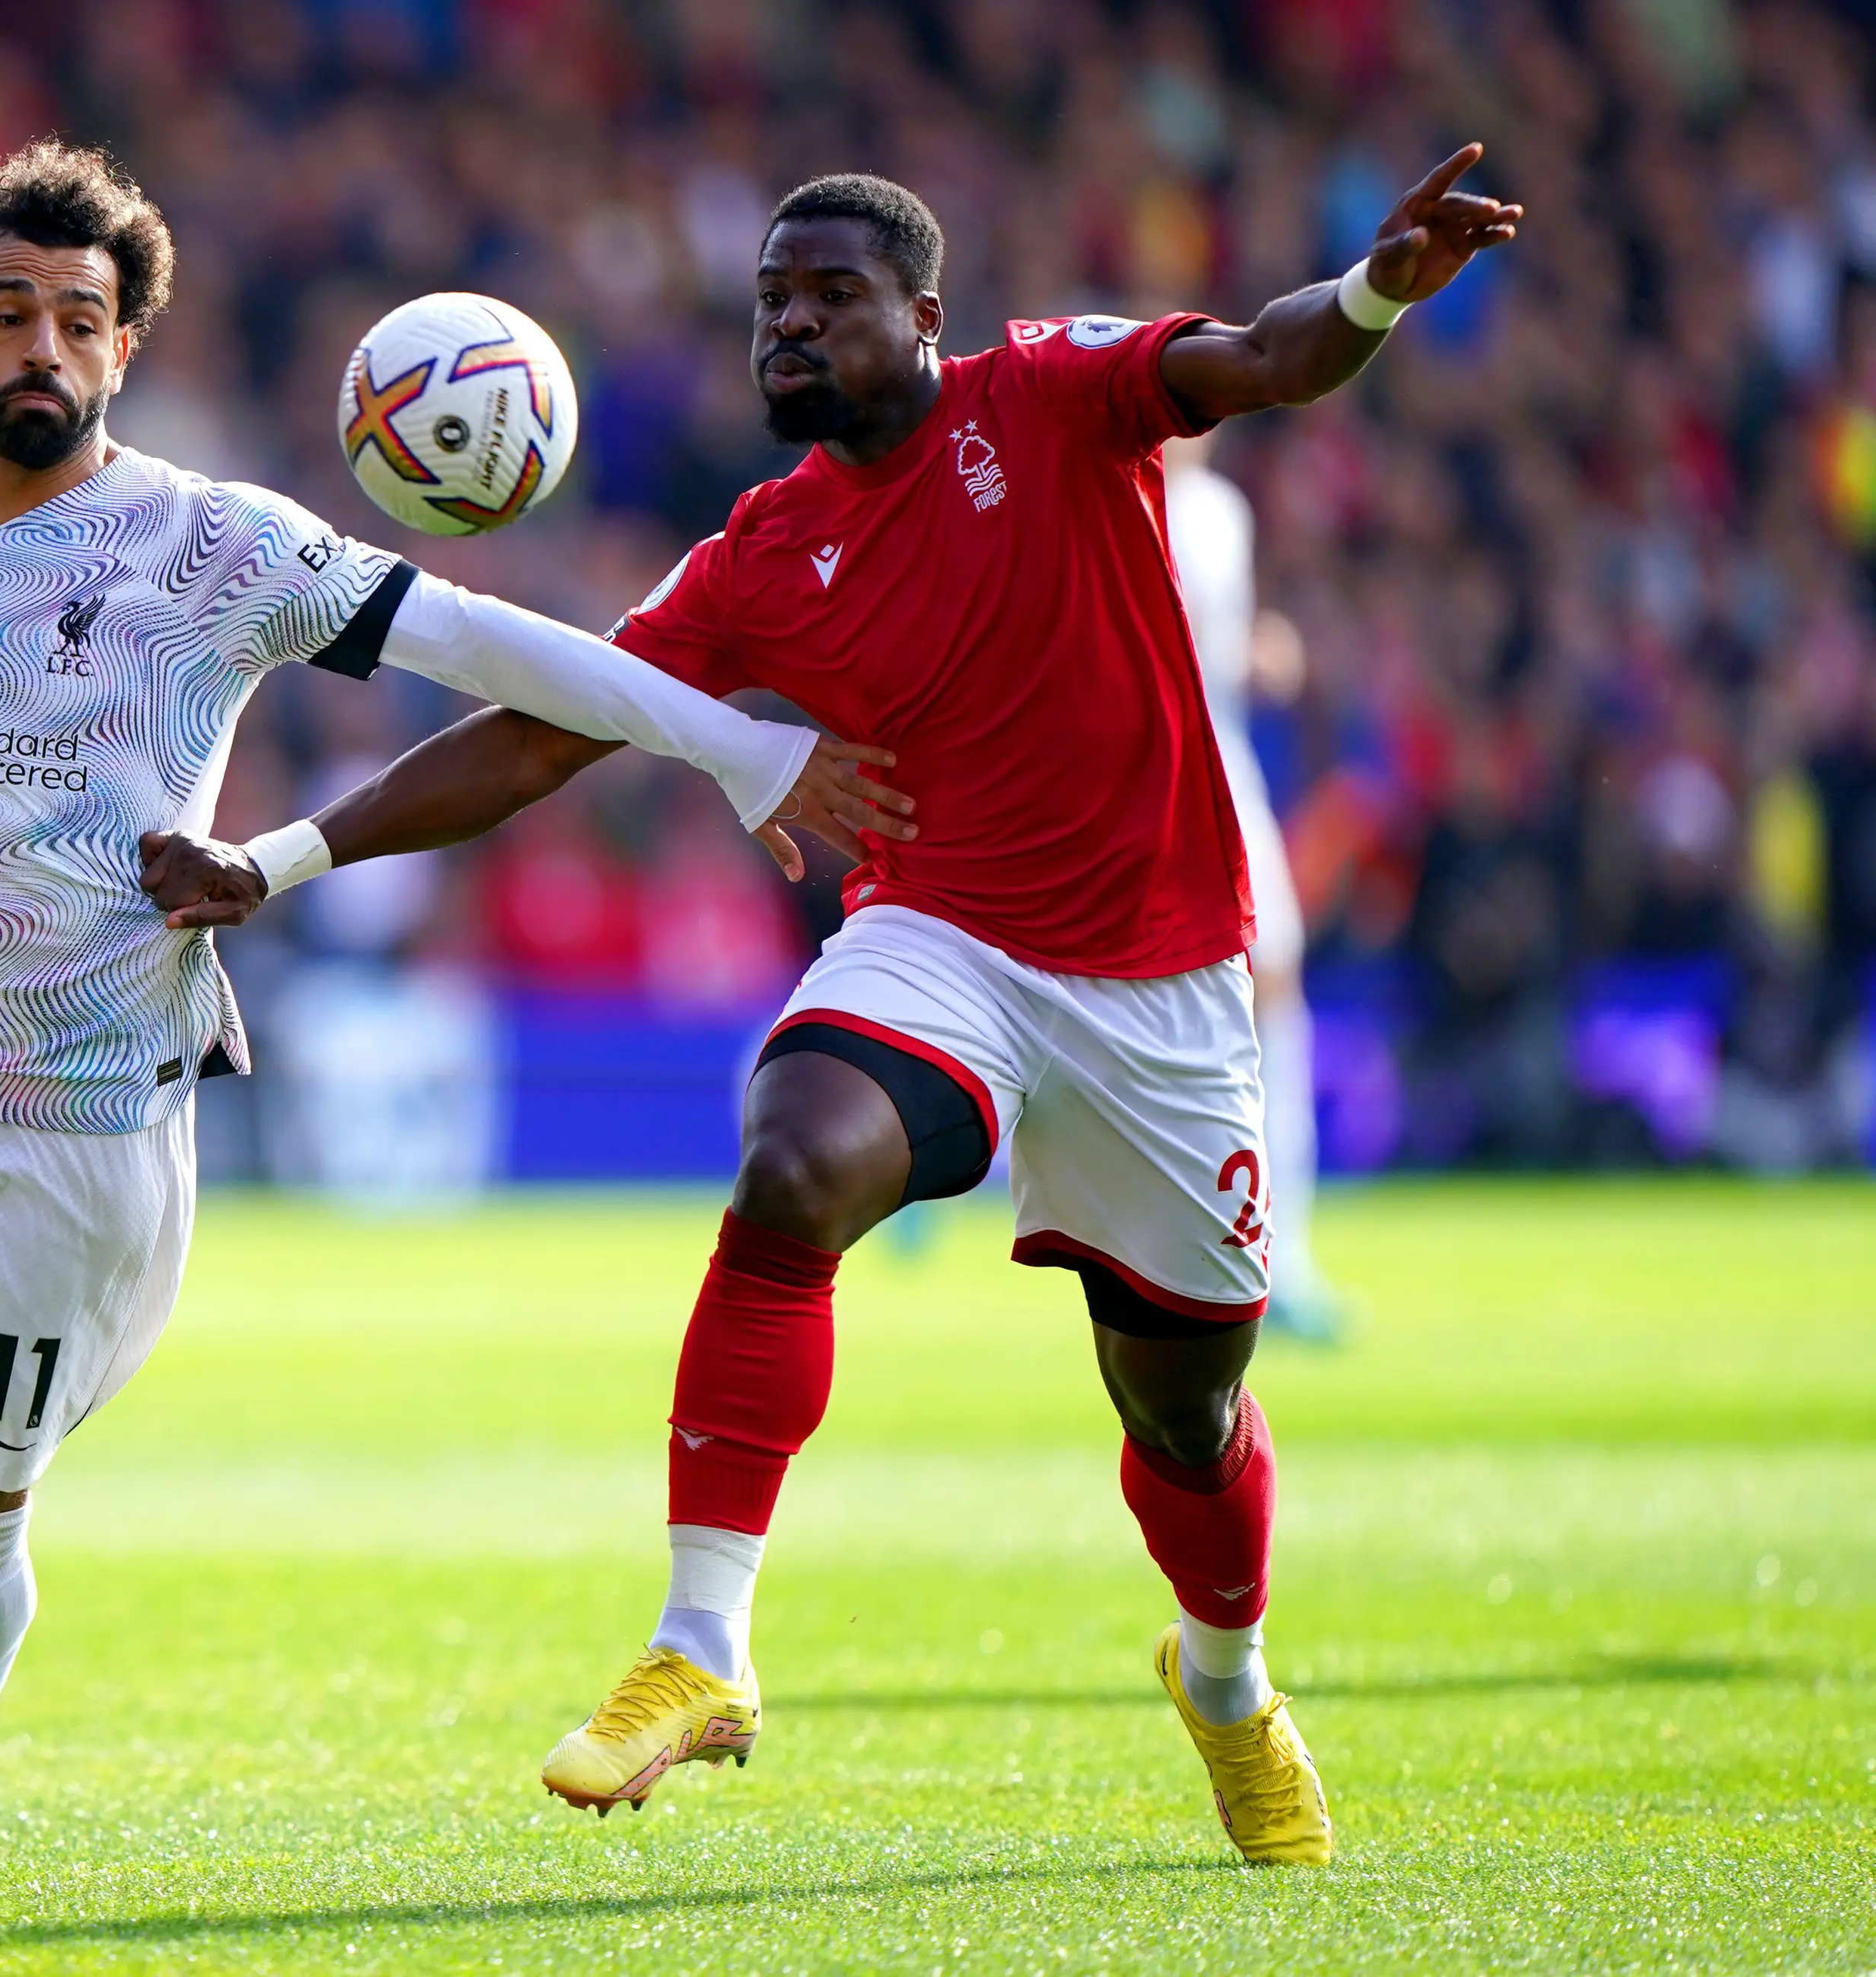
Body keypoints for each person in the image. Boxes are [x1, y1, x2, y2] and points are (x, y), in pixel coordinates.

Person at [0, 140, 914, 1886]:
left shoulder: (217, 544)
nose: (42, 345)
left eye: (79, 320)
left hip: (78, 1117)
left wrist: (738, 741)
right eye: (7, 311)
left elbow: (489, 644)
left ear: (121, 351)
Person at [144, 147, 1517, 1865]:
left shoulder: (1054, 394)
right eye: (767, 305)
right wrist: (273, 857)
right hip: (939, 939)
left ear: (923, 317)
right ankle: (698, 1643)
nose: (788, 324)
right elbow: (543, 728)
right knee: (790, 1159)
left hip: (1161, 981)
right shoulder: (764, 550)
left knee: (1184, 1408)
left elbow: (1262, 353)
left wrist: (1378, 287)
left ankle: (1227, 1676)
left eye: (829, 296)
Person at [1165, 432, 1346, 1342]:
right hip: (1133, 780)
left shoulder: (1221, 514)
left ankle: (1286, 1251)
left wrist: (1256, 652)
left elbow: (1216, 653)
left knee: (1273, 989)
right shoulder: (1106, 497)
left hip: (1222, 778)